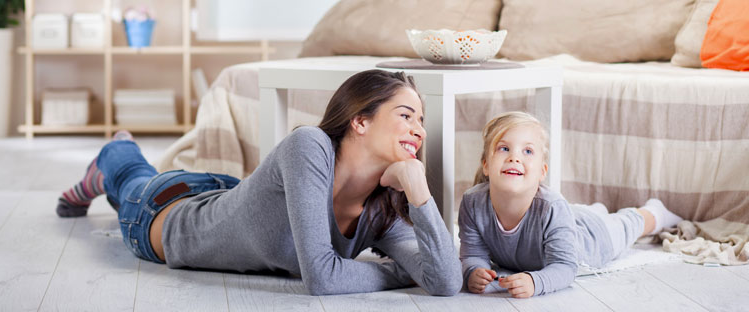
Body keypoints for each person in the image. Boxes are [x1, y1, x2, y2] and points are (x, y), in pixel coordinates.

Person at [55, 69, 462, 296]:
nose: (419, 130)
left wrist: (419, 192)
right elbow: (321, 278)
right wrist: (401, 273)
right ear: (360, 120)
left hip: (228, 194)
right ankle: (111, 156)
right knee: (130, 175)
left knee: (145, 180)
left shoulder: (383, 209)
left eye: (422, 120)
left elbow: (445, 281)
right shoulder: (310, 145)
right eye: (406, 115)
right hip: (160, 214)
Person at [458, 111, 683, 298]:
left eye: (527, 151)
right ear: (486, 164)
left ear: (542, 172)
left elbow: (565, 267)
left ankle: (656, 212)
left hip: (591, 239)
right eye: (504, 148)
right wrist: (474, 271)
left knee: (627, 224)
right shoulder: (472, 203)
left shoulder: (552, 207)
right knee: (576, 213)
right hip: (568, 217)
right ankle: (594, 210)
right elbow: (472, 253)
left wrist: (536, 282)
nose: (514, 158)